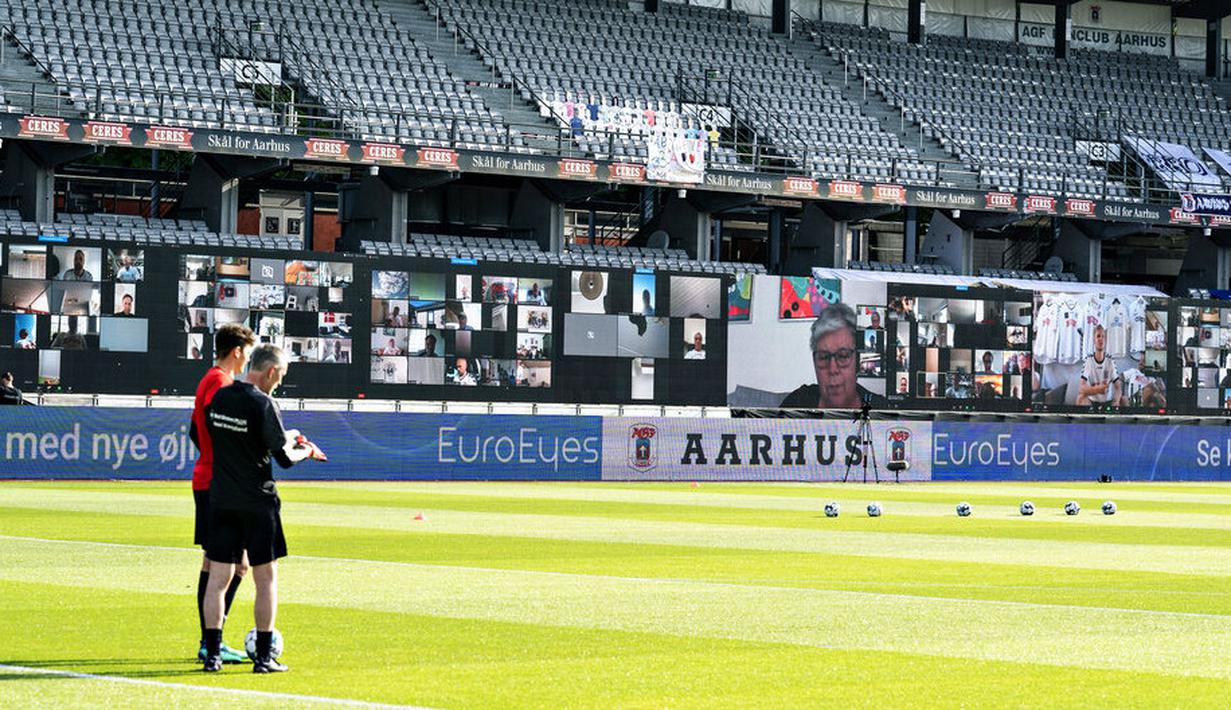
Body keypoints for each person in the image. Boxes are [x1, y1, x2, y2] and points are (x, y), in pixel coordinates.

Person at [200, 344, 324, 673]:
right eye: (281, 375)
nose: (280, 382)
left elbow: (221, 440)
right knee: (265, 578)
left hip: (222, 498)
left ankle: (211, 655)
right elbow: (283, 458)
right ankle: (264, 657)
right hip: (257, 501)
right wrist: (305, 451)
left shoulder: (221, 398)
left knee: (218, 579)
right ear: (271, 372)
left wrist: (283, 437)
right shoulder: (264, 402)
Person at [189, 323, 257, 666]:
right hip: (219, 483)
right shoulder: (220, 382)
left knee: (220, 563)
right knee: (234, 566)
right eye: (248, 352)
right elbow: (223, 426)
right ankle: (209, 641)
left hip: (210, 477)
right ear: (238, 352)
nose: (248, 360)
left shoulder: (209, 378)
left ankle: (210, 640)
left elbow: (194, 430)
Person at [780, 303, 879, 409]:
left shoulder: (880, 408)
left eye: (843, 356)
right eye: (823, 357)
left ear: (858, 361)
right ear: (814, 362)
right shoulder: (797, 402)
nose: (832, 369)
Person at [1077, 324, 1121, 406]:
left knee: (1124, 400)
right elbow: (1081, 388)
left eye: (1103, 336)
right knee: (1080, 398)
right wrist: (1097, 390)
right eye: (1098, 336)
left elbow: (1118, 387)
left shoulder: (1110, 361)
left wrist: (1116, 401)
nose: (1101, 339)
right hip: (1092, 402)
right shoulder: (1089, 360)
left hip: (1108, 402)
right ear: (1094, 340)